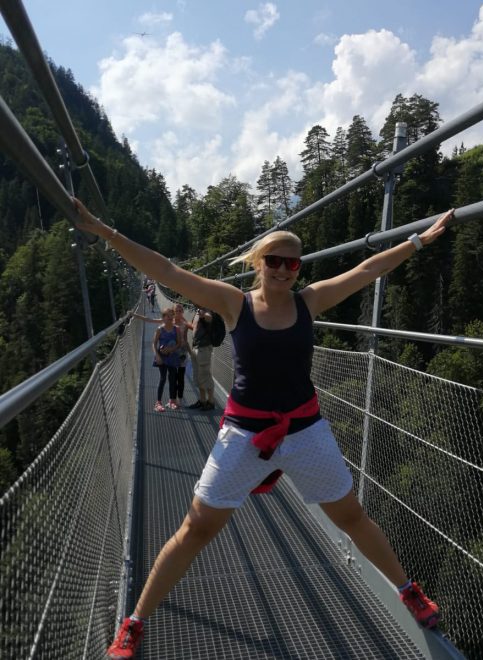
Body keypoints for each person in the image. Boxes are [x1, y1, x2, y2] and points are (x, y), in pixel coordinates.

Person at [71, 197, 453, 659]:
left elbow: (366, 270)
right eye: (274, 260)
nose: (284, 269)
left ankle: (407, 590)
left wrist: (417, 240)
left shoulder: (309, 301)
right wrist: (105, 232)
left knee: (351, 516)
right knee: (196, 528)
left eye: (292, 262)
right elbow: (167, 272)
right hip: (245, 434)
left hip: (305, 429)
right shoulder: (233, 303)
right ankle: (134, 623)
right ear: (260, 263)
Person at [133, 303, 193, 407]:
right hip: (168, 354)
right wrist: (134, 315)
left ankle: (178, 399)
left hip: (180, 352)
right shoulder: (165, 324)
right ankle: (166, 401)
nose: (177, 313)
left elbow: (192, 329)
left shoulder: (183, 324)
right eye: (176, 311)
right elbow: (149, 320)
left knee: (179, 377)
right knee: (167, 377)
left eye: (179, 311)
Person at [151, 307, 183, 411]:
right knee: (163, 378)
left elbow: (179, 343)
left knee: (172, 378)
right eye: (167, 315)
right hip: (162, 357)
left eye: (171, 315)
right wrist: (157, 356)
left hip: (172, 356)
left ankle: (172, 401)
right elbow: (154, 343)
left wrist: (171, 349)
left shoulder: (176, 328)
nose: (170, 317)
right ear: (163, 317)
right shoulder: (160, 329)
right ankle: (158, 403)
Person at [187, 306, 217, 411]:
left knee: (205, 375)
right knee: (198, 375)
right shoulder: (197, 311)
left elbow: (209, 318)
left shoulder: (207, 309)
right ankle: (202, 400)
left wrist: (204, 314)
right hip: (195, 347)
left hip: (204, 348)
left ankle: (211, 401)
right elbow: (195, 327)